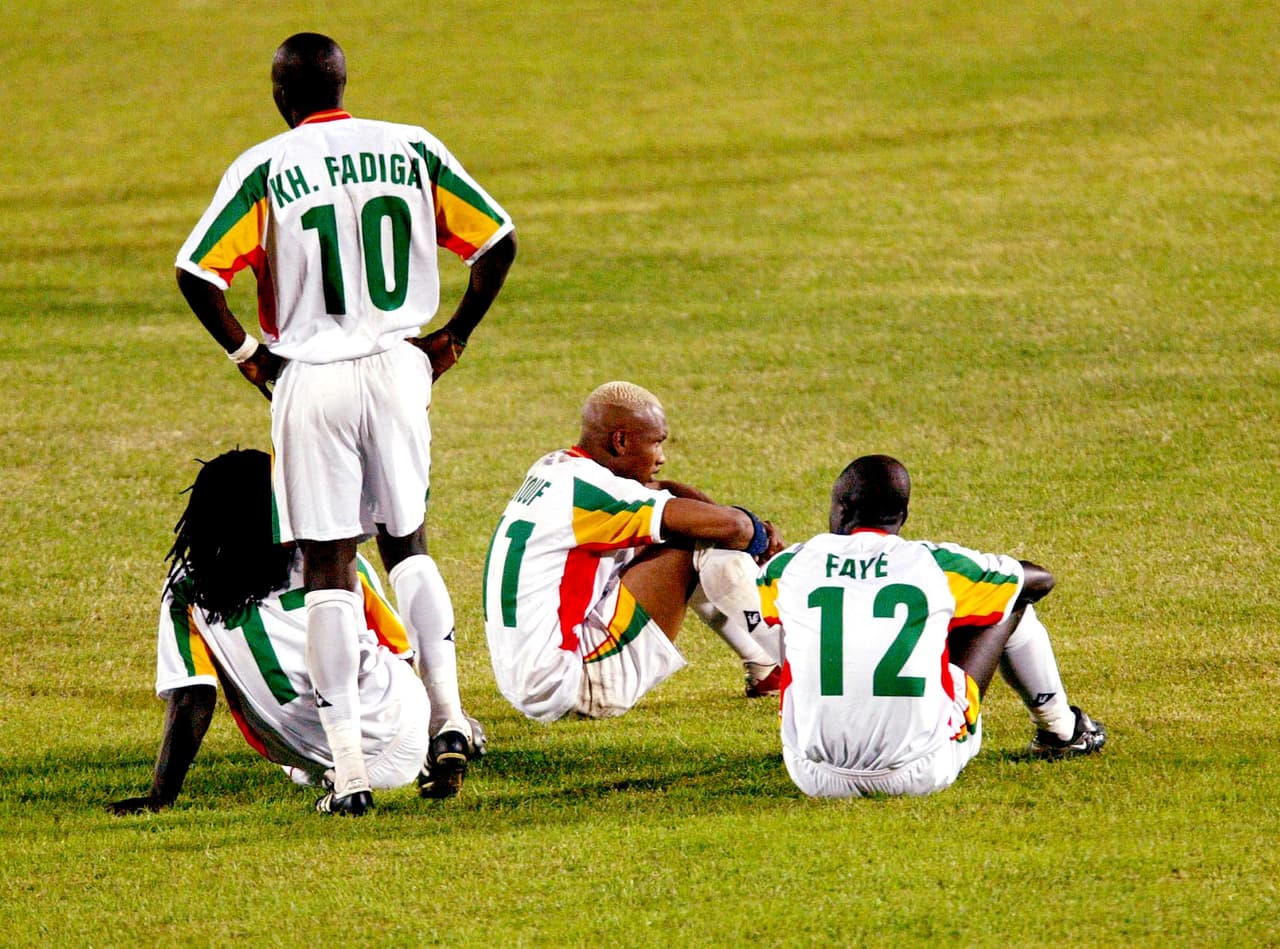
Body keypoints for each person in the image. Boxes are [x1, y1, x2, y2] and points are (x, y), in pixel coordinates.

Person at [174, 33, 516, 815]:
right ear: (342, 83)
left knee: (329, 565)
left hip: (312, 376)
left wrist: (249, 355)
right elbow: (498, 241)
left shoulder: (264, 167)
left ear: (281, 97)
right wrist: (454, 334)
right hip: (398, 366)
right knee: (409, 543)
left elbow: (196, 272)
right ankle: (448, 716)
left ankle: (351, 772)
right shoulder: (413, 147)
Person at [105, 450, 486, 816]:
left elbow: (192, 697)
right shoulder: (333, 561)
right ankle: (450, 729)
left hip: (319, 757)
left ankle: (346, 780)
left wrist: (161, 796)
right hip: (407, 719)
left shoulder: (187, 589)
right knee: (381, 658)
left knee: (297, 767)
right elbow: (401, 650)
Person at [759, 454, 1105, 799]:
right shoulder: (933, 564)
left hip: (812, 774)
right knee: (1009, 599)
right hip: (920, 769)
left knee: (794, 621)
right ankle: (1060, 729)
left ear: (842, 509)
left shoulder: (788, 566)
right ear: (903, 515)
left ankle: (823, 728)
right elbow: (1041, 580)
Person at [483, 381, 785, 723]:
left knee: (679, 528)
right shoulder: (591, 492)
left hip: (530, 678)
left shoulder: (555, 469)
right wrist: (760, 537)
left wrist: (736, 525)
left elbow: (663, 489)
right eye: (656, 442)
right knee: (694, 539)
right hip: (572, 683)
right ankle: (793, 664)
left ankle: (765, 665)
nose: (662, 456)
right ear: (621, 441)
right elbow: (734, 527)